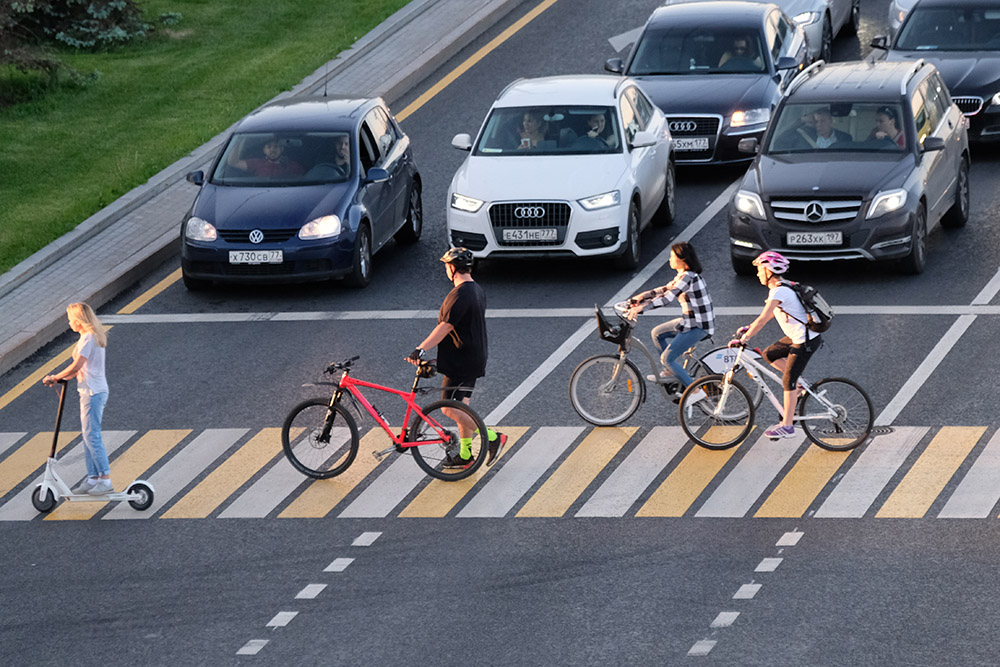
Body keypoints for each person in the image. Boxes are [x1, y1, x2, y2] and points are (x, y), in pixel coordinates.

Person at [406, 248, 506, 468]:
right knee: (461, 408)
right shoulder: (476, 289)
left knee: (449, 409)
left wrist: (420, 349)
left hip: (463, 361)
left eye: (445, 266)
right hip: (472, 356)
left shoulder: (461, 294)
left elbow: (446, 326)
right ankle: (466, 455)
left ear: (452, 268)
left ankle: (491, 437)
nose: (445, 269)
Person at [732, 251, 822, 439]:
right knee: (770, 354)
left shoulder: (778, 290)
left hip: (804, 340)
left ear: (769, 270)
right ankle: (800, 386)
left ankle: (787, 426)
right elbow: (772, 314)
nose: (757, 274)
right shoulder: (782, 287)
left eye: (759, 270)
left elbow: (764, 319)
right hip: (799, 336)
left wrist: (745, 338)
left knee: (787, 380)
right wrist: (749, 327)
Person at [626, 242, 715, 400]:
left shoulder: (688, 277)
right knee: (657, 333)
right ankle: (669, 372)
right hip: (691, 321)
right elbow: (664, 289)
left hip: (698, 326)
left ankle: (695, 391)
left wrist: (641, 308)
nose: (669, 260)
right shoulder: (683, 276)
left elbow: (667, 298)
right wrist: (642, 296)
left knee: (667, 358)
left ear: (683, 259)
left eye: (672, 257)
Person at [42, 303, 113, 495]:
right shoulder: (87, 337)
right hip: (89, 391)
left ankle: (105, 480)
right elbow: (78, 370)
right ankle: (93, 478)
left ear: (78, 320)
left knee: (92, 435)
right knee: (88, 435)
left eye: (70, 319)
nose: (68, 322)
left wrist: (55, 377)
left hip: (93, 393)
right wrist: (59, 379)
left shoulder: (89, 338)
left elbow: (76, 366)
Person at [228, 135, 304, 178]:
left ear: (282, 149)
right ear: (264, 150)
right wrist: (238, 141)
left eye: (276, 147)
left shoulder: (292, 166)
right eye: (269, 147)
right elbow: (233, 162)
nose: (272, 149)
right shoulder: (256, 163)